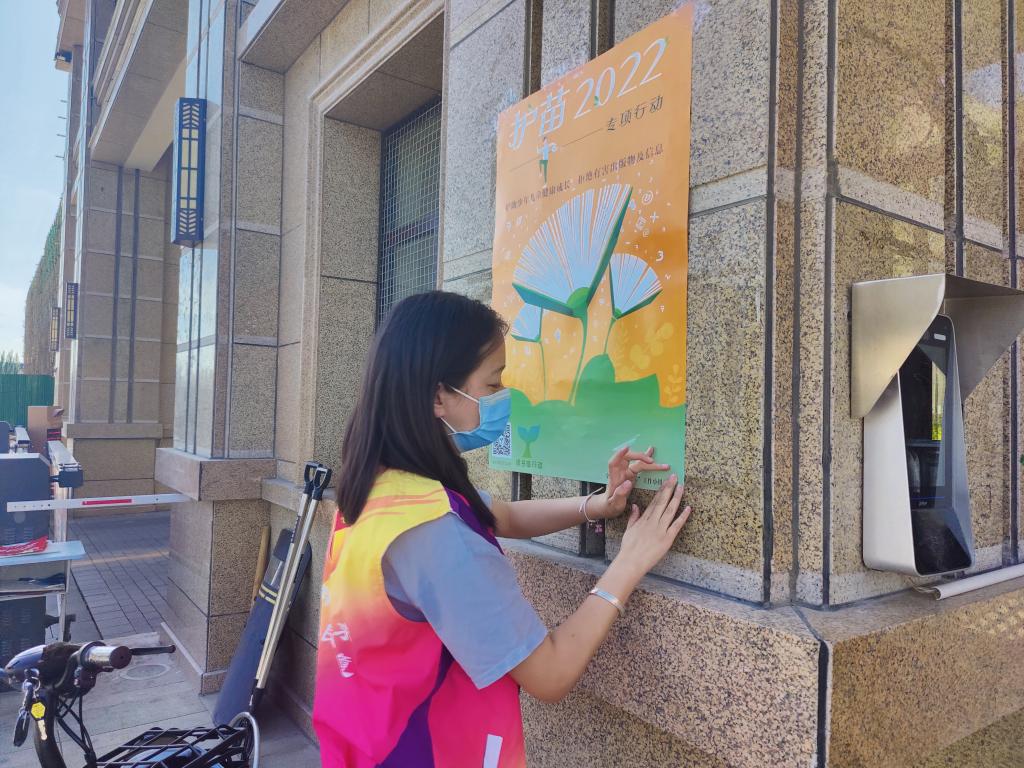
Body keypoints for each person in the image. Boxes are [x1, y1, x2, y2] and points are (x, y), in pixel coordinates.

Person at [313, 291, 692, 767]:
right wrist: (630, 560)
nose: (504, 398)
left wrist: (597, 505)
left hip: (367, 744)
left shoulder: (386, 486)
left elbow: (501, 516)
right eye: (492, 384)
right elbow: (550, 673)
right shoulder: (434, 534)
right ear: (438, 396)